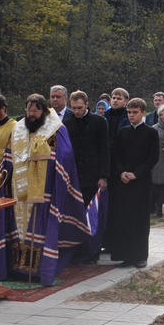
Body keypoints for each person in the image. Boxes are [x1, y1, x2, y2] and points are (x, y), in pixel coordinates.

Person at [0, 94, 91, 284]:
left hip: (43, 189)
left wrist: (43, 156)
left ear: (44, 111)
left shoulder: (55, 128)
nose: (30, 114)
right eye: (28, 110)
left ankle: (37, 270)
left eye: (35, 111)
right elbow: (8, 155)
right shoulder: (19, 128)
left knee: (39, 228)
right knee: (17, 229)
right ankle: (16, 268)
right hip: (18, 189)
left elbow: (65, 155)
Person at [109, 98, 160, 267]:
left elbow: (153, 158)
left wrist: (136, 174)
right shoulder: (123, 132)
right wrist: (122, 172)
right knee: (124, 218)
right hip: (123, 181)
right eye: (129, 112)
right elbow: (115, 154)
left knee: (140, 219)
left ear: (143, 113)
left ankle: (140, 256)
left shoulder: (151, 133)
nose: (131, 115)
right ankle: (126, 255)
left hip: (141, 182)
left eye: (135, 112)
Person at [65, 90, 111, 261]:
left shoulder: (99, 122)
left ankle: (93, 251)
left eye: (79, 107)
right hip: (75, 177)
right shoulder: (68, 124)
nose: (76, 111)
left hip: (93, 176)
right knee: (77, 216)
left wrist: (103, 175)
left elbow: (105, 150)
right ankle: (78, 252)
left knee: (93, 217)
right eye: (74, 108)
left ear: (87, 105)